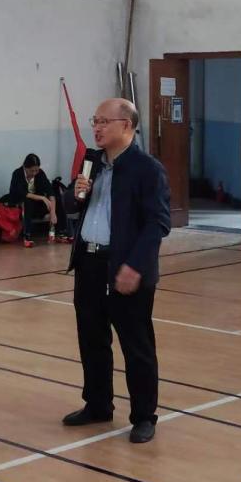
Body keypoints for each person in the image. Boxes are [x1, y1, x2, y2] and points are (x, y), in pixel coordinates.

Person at [61, 98, 170, 444]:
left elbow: (157, 223)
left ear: (126, 125)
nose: (96, 128)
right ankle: (97, 404)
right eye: (94, 121)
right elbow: (70, 206)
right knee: (92, 339)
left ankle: (144, 416)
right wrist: (75, 195)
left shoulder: (147, 169)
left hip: (125, 268)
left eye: (103, 122)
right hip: (89, 264)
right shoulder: (92, 162)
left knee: (137, 345)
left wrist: (134, 266)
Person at [7, 154, 60, 247]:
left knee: (57, 198)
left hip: (35, 205)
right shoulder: (17, 174)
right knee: (27, 202)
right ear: (25, 167)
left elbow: (50, 192)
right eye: (32, 170)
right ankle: (27, 237)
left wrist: (53, 212)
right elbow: (23, 194)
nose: (34, 173)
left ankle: (62, 232)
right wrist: (43, 198)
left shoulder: (40, 173)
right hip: (19, 204)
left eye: (36, 170)